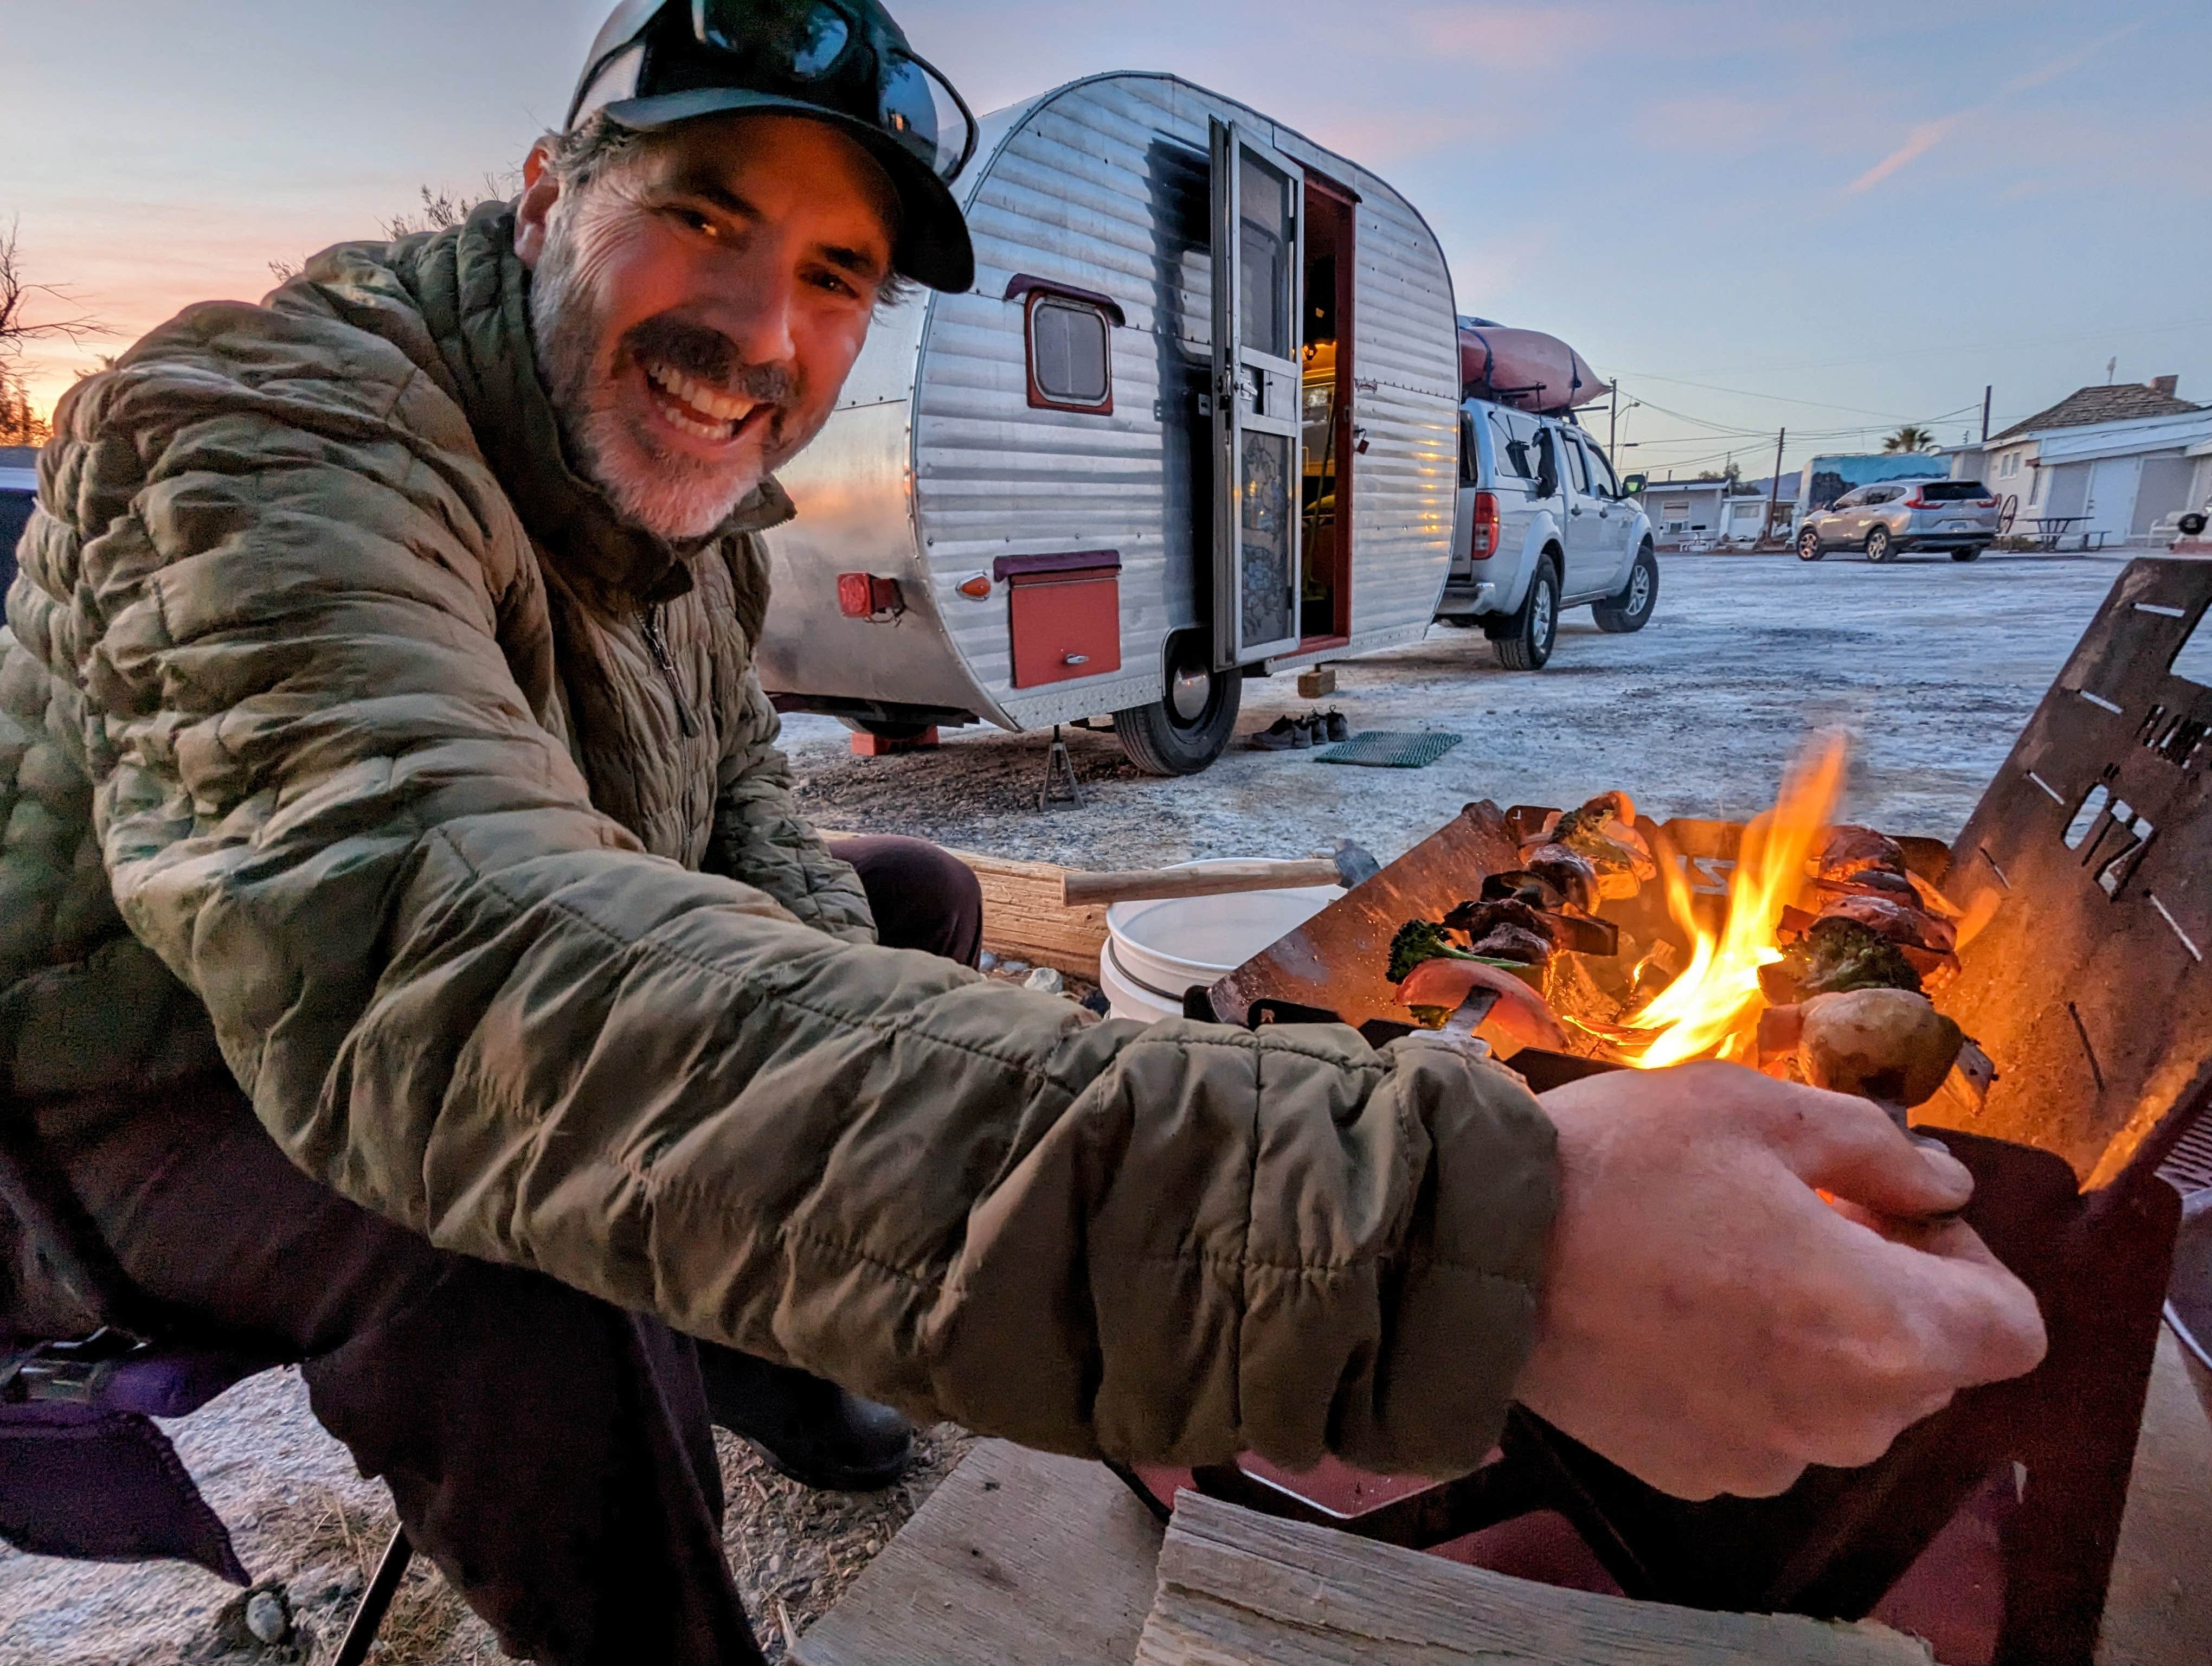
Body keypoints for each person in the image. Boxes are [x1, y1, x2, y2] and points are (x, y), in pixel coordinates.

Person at [0, 2, 2047, 1661]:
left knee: (903, 890)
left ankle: (784, 1372)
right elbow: (446, 972)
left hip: (410, 1003)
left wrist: (932, 1031)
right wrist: (1444, 1240)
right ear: (547, 197)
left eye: (835, 277)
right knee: (504, 1227)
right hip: (121, 1087)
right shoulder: (255, 429)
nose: (763, 337)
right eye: (704, 220)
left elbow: (751, 854)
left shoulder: (682, 523)